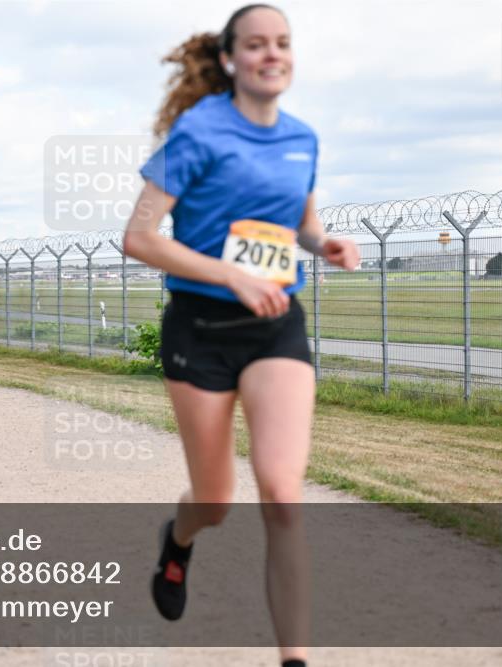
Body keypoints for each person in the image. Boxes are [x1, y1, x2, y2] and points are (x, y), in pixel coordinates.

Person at [122, 6, 359, 667]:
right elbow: (138, 238)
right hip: (200, 331)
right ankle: (179, 543)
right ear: (230, 60)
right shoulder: (197, 133)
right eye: (256, 45)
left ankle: (295, 659)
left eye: (283, 44)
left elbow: (301, 223)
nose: (272, 54)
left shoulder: (303, 138)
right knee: (217, 499)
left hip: (276, 326)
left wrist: (324, 242)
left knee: (283, 491)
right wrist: (228, 273)